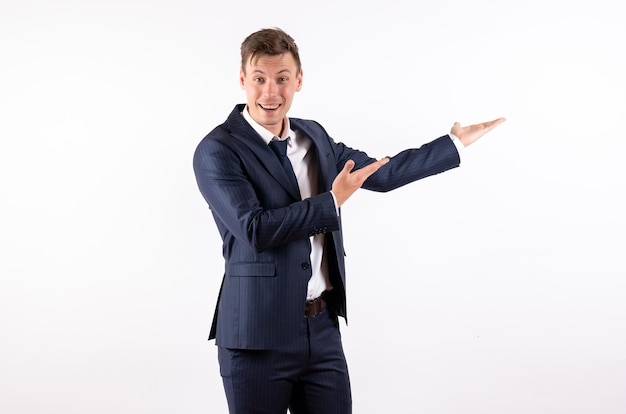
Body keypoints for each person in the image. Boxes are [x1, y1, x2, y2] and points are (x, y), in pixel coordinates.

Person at [193, 27, 505, 414]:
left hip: (321, 330)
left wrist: (454, 143)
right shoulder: (217, 150)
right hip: (256, 338)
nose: (270, 92)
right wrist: (332, 201)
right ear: (242, 80)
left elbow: (381, 174)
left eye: (282, 79)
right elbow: (256, 229)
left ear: (299, 80)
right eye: (259, 79)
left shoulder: (314, 136)